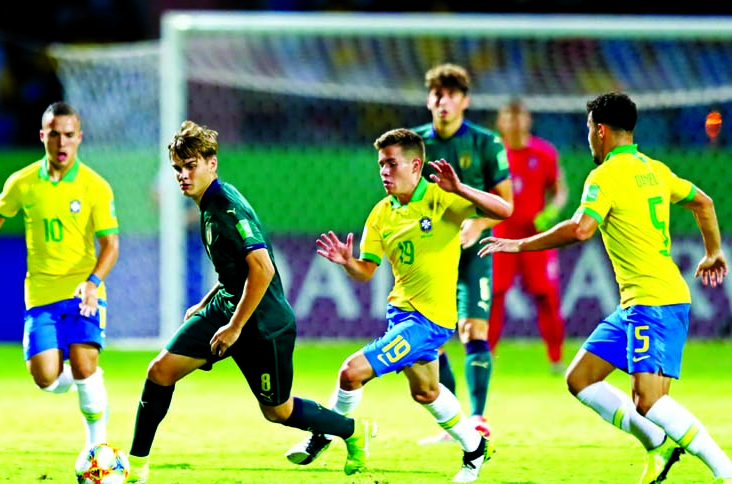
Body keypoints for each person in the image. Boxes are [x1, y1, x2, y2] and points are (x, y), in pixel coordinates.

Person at [478, 92, 732, 484]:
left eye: (589, 129)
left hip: (654, 302)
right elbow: (703, 203)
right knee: (581, 379)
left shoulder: (605, 176)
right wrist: (713, 252)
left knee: (650, 401)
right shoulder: (654, 169)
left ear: (601, 130)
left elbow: (581, 228)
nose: (588, 137)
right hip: (637, 304)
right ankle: (657, 443)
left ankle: (731, 474)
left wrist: (520, 243)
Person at [125, 121, 372, 483]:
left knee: (277, 411)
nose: (182, 175)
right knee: (160, 371)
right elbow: (235, 273)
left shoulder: (224, 208)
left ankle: (352, 430)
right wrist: (205, 304)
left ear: (212, 163)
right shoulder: (209, 203)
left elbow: (263, 269)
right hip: (227, 306)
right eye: (178, 168)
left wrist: (235, 327)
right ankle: (135, 468)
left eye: (190, 165)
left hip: (263, 325)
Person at [285, 128, 512, 483]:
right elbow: (366, 272)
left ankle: (325, 432)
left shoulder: (442, 199)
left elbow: (505, 209)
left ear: (415, 165)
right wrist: (347, 262)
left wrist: (461, 189)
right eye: (380, 165)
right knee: (426, 391)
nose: (384, 171)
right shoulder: (380, 214)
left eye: (391, 164)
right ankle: (475, 448)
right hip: (401, 316)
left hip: (428, 321)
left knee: (350, 372)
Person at [0, 101, 119, 451]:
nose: (62, 142)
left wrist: (93, 283)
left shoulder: (96, 187)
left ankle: (97, 450)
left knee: (84, 364)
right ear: (43, 137)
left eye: (69, 135)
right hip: (40, 296)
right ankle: (88, 382)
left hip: (84, 292)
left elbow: (110, 246)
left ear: (79, 138)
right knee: (46, 378)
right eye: (55, 134)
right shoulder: (22, 183)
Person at [412, 63, 513, 444]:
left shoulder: (487, 143)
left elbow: (506, 203)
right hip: (430, 255)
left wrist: (479, 224)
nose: (443, 101)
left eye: (451, 94)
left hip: (472, 251)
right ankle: (457, 422)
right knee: (430, 340)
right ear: (429, 99)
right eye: (437, 94)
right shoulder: (414, 145)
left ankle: (480, 417)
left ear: (464, 101)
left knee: (473, 329)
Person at [489, 98, 569, 374]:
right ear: (500, 122)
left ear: (528, 120)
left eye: (518, 116)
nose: (514, 122)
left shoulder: (544, 153)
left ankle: (556, 359)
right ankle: (487, 355)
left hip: (536, 236)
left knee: (546, 296)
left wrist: (551, 212)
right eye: (508, 117)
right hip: (502, 232)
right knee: (494, 295)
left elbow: (560, 191)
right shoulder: (492, 152)